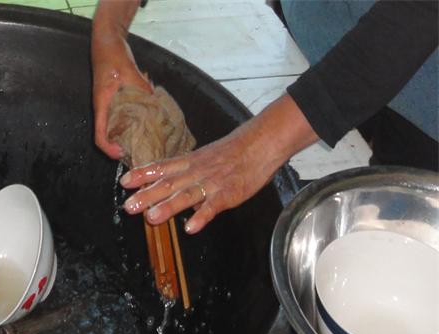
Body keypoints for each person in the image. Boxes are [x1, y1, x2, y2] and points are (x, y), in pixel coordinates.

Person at [91, 0, 438, 235]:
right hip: (313, 39)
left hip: (424, 92)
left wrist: (258, 146)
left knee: (401, 247)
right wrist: (109, 29)